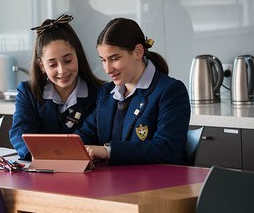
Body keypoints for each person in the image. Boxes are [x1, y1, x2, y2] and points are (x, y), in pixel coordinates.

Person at [75, 17, 191, 165]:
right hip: (115, 183)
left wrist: (108, 151)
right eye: (103, 60)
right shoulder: (106, 92)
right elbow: (87, 133)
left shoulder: (170, 91)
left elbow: (166, 149)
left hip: (159, 184)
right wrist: (65, 148)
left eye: (114, 59)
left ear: (138, 52)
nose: (107, 69)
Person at [9, 14, 105, 160]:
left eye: (68, 60)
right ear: (41, 66)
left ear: (77, 56)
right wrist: (38, 156)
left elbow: (91, 135)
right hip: (40, 167)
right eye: (53, 65)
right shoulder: (28, 92)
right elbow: (20, 131)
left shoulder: (99, 93)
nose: (62, 70)